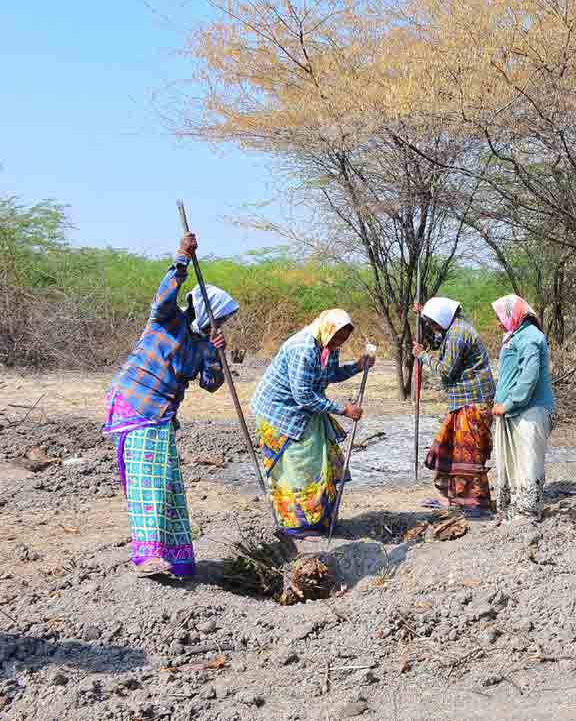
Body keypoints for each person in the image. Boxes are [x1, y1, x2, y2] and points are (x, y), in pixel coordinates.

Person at [103, 232, 238, 577]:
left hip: (162, 414)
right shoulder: (168, 319)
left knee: (168, 484)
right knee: (149, 480)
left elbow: (211, 385)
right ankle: (147, 555)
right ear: (203, 310)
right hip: (137, 403)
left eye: (222, 321)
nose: (220, 324)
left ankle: (176, 557)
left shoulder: (203, 345)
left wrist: (217, 355)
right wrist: (181, 258)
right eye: (219, 318)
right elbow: (163, 297)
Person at [251, 309, 374, 539]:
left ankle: (317, 519)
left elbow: (330, 375)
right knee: (298, 468)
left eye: (343, 339)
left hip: (307, 412)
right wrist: (343, 410)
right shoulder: (304, 348)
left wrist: (358, 366)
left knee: (317, 464)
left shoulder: (328, 344)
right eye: (336, 338)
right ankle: (295, 525)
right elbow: (304, 396)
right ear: (327, 329)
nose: (338, 343)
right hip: (281, 413)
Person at [413, 297, 497, 516]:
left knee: (467, 454)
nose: (432, 327)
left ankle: (474, 504)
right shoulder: (455, 328)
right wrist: (423, 316)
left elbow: (446, 370)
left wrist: (422, 356)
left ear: (442, 318)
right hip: (463, 401)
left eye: (432, 322)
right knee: (451, 450)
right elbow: (438, 342)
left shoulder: (458, 334)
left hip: (473, 401)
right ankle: (457, 499)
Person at [490, 294, 555, 524]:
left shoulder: (530, 337)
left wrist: (509, 403)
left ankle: (526, 516)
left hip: (531, 411)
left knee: (527, 465)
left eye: (500, 317)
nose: (498, 323)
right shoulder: (516, 336)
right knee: (513, 464)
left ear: (512, 314)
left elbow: (529, 377)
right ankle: (513, 514)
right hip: (516, 412)